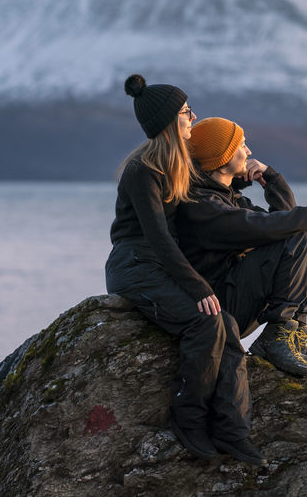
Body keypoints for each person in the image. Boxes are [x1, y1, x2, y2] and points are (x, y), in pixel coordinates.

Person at [102, 75, 264, 466]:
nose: (193, 116)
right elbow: (157, 238)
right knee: (205, 321)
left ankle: (232, 428)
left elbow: (215, 195)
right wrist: (197, 287)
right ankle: (187, 418)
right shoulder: (143, 171)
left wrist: (252, 175)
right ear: (169, 122)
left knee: (223, 322)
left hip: (163, 262)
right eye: (186, 111)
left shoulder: (181, 164)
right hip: (134, 265)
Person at [176, 117, 307, 382]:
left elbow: (288, 223)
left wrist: (271, 179)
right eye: (242, 145)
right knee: (298, 238)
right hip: (218, 311)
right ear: (223, 157)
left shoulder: (230, 198)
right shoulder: (202, 205)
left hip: (238, 299)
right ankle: (274, 339)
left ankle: (292, 336)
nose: (249, 152)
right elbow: (270, 228)